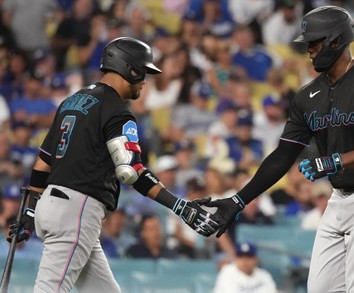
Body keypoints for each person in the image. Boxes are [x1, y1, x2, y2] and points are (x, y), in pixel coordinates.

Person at [204, 6, 354, 292]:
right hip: (339, 197)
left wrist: (336, 161)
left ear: (336, 40)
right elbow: (283, 155)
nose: (308, 49)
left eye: (314, 41)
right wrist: (239, 200)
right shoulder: (307, 96)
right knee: (320, 289)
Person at [7, 37, 218, 293]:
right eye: (144, 72)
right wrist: (179, 205)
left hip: (53, 205)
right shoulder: (117, 109)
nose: (144, 80)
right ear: (130, 69)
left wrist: (30, 213)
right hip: (77, 209)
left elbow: (43, 163)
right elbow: (130, 172)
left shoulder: (72, 102)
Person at [213, 241, 278, 293]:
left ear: (256, 259)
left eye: (249, 256)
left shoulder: (264, 275)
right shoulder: (227, 272)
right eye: (241, 256)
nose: (245, 261)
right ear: (236, 258)